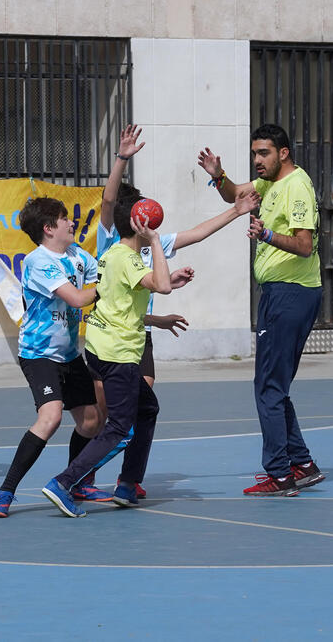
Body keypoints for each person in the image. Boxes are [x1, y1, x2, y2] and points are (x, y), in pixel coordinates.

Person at [74, 125, 259, 502]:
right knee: (105, 415)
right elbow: (109, 202)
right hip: (109, 336)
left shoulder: (152, 245)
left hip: (137, 336)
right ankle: (80, 478)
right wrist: (122, 158)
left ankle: (128, 478)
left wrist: (237, 212)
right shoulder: (113, 239)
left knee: (143, 406)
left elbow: (196, 233)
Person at [197, 123, 325, 496]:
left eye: (263, 153)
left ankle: (280, 474)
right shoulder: (271, 182)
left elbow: (304, 245)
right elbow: (235, 195)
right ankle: (301, 463)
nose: (256, 160)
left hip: (291, 294)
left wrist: (267, 235)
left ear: (283, 153)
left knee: (268, 387)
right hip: (281, 292)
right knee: (275, 385)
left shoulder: (296, 187)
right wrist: (218, 175)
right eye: (254, 153)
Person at [39, 191, 173, 517]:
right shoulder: (129, 258)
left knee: (148, 408)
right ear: (138, 224)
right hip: (118, 354)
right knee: (119, 427)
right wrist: (154, 241)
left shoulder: (112, 253)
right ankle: (64, 482)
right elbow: (163, 286)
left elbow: (131, 294)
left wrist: (165, 277)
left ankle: (128, 484)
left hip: (101, 347)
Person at [0, 197, 101, 517]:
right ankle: (5, 491)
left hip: (68, 354)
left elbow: (103, 270)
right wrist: (112, 285)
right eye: (65, 219)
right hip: (39, 354)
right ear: (49, 229)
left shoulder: (77, 255)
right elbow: (78, 298)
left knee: (91, 420)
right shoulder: (39, 262)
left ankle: (73, 483)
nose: (71, 223)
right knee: (50, 418)